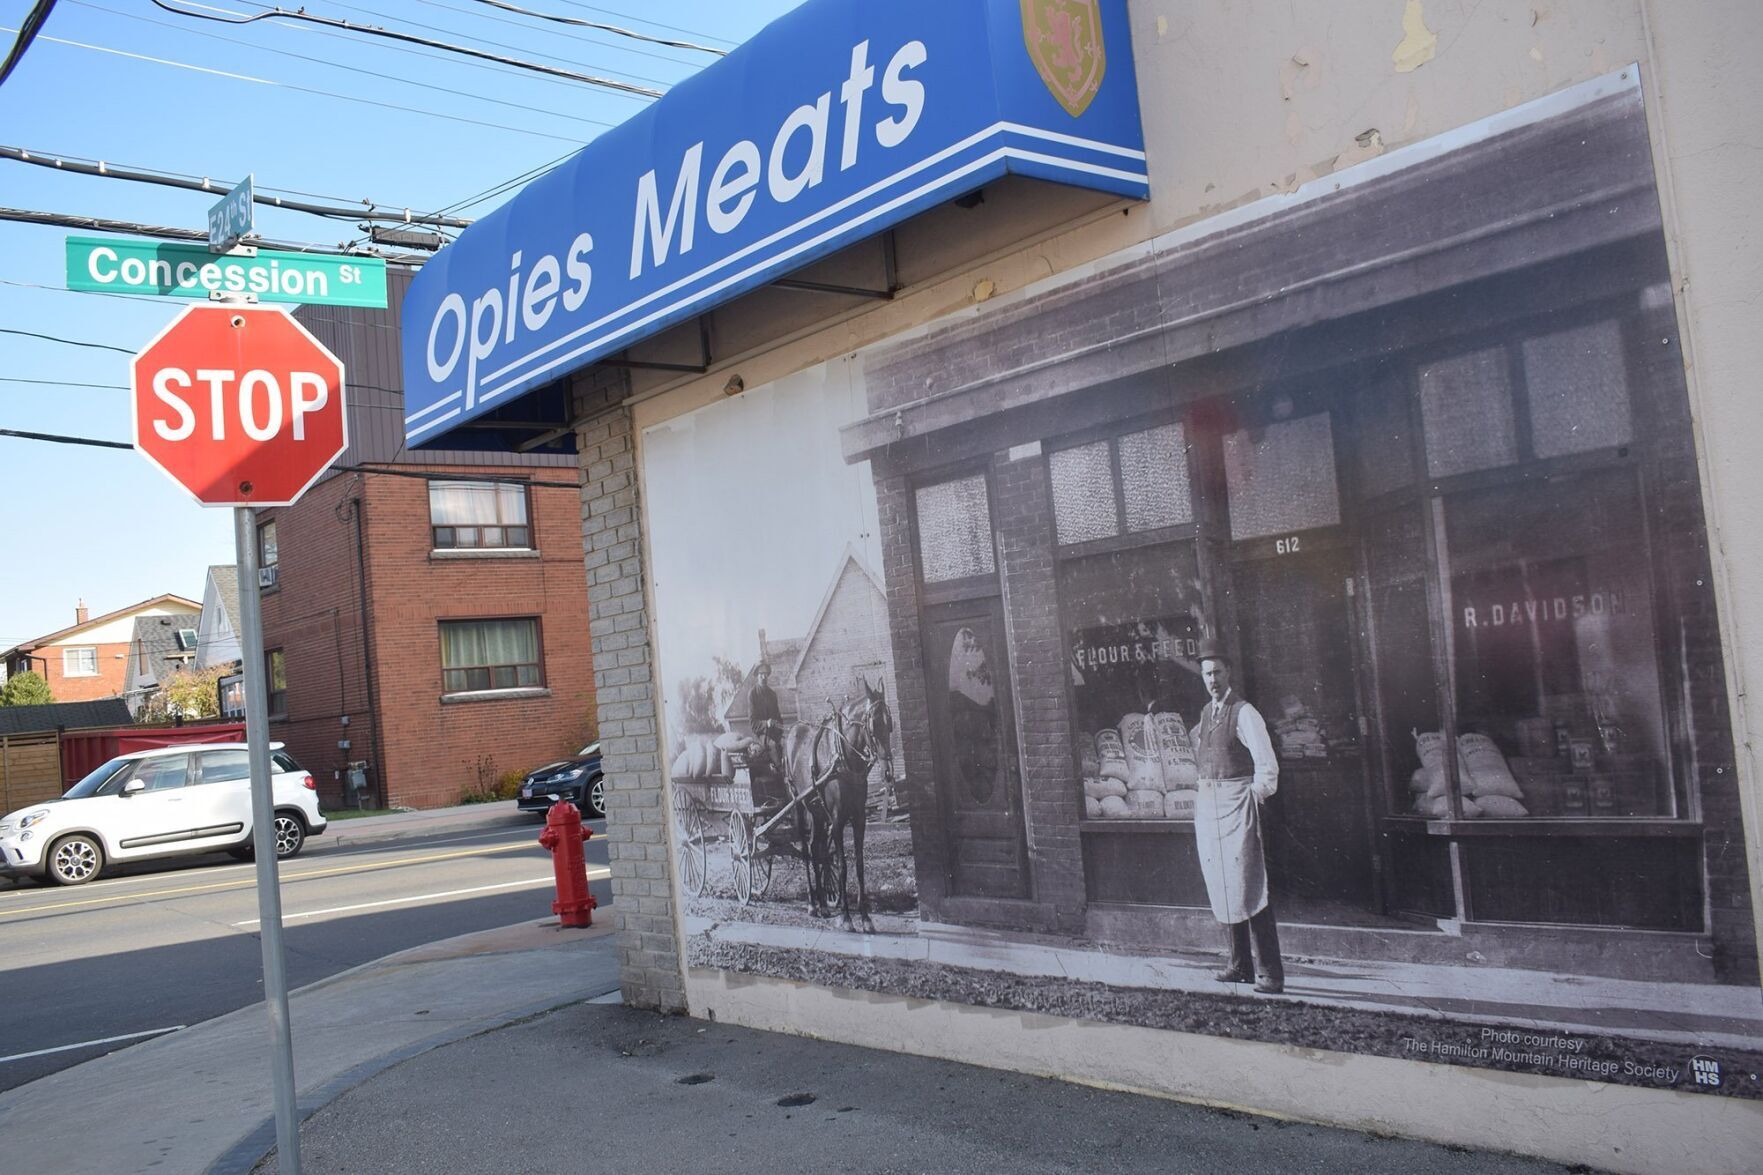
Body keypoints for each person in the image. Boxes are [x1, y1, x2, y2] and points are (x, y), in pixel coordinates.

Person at [1189, 641, 1284, 994]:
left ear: (1229, 673)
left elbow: (1267, 767)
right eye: (1206, 674)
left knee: (1249, 883)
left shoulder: (1244, 713)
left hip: (1237, 803)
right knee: (1223, 883)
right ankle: (1240, 965)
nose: (1212, 680)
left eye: (1217, 672)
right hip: (1211, 805)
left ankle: (1271, 972)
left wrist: (1254, 796)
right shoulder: (1205, 714)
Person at [748, 662, 785, 804]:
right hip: (760, 735)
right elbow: (753, 723)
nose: (763, 677)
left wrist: (782, 730)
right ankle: (782, 776)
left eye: (765, 674)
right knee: (774, 746)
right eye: (760, 674)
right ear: (757, 676)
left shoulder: (772, 694)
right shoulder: (752, 694)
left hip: (775, 733)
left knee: (786, 743)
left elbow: (778, 716)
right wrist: (766, 724)